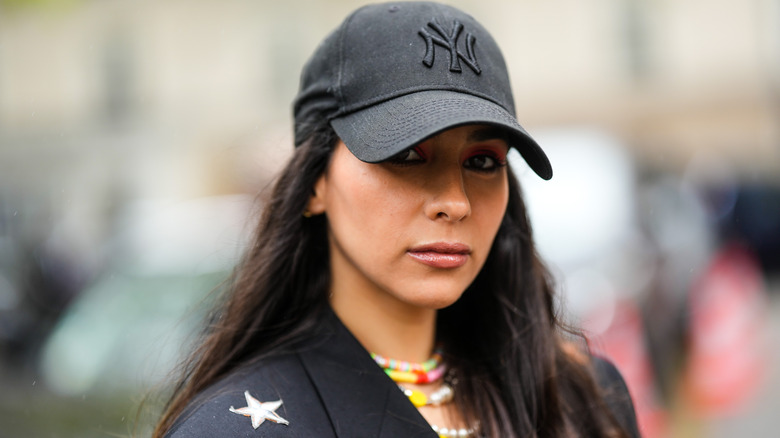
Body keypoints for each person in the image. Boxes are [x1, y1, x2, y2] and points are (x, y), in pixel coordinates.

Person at [154, 2, 640, 437]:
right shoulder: (241, 429)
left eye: (483, 161)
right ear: (315, 184)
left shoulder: (583, 399)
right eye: (407, 154)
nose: (455, 202)